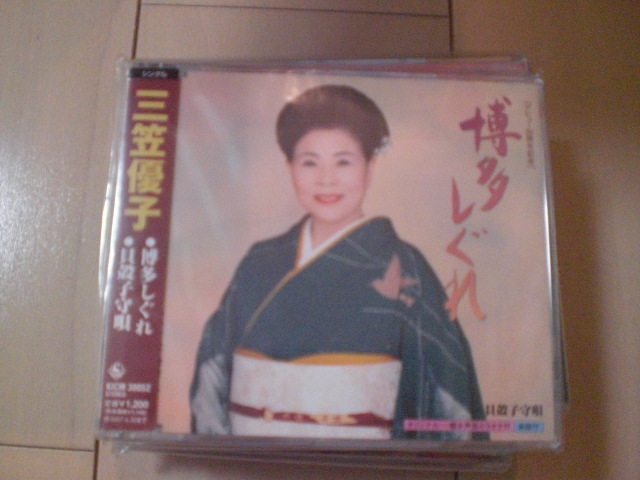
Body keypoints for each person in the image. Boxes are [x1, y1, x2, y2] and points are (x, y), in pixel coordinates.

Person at [190, 84, 486, 440]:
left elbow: (446, 393)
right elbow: (211, 379)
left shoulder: (406, 266)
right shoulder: (259, 262)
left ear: (370, 166)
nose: (326, 179)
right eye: (309, 162)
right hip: (255, 460)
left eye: (343, 162)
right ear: (290, 167)